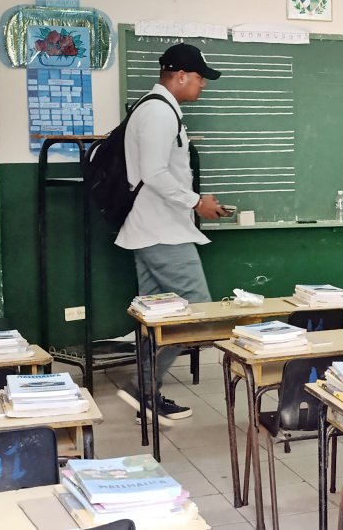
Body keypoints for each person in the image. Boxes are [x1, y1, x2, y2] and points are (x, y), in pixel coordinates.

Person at [115, 42, 229, 424]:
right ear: (180, 75)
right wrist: (197, 201)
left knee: (159, 318)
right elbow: (155, 174)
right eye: (199, 78)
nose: (203, 86)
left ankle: (145, 392)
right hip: (161, 232)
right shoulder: (159, 112)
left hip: (154, 229)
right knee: (197, 311)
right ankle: (142, 388)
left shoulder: (158, 109)